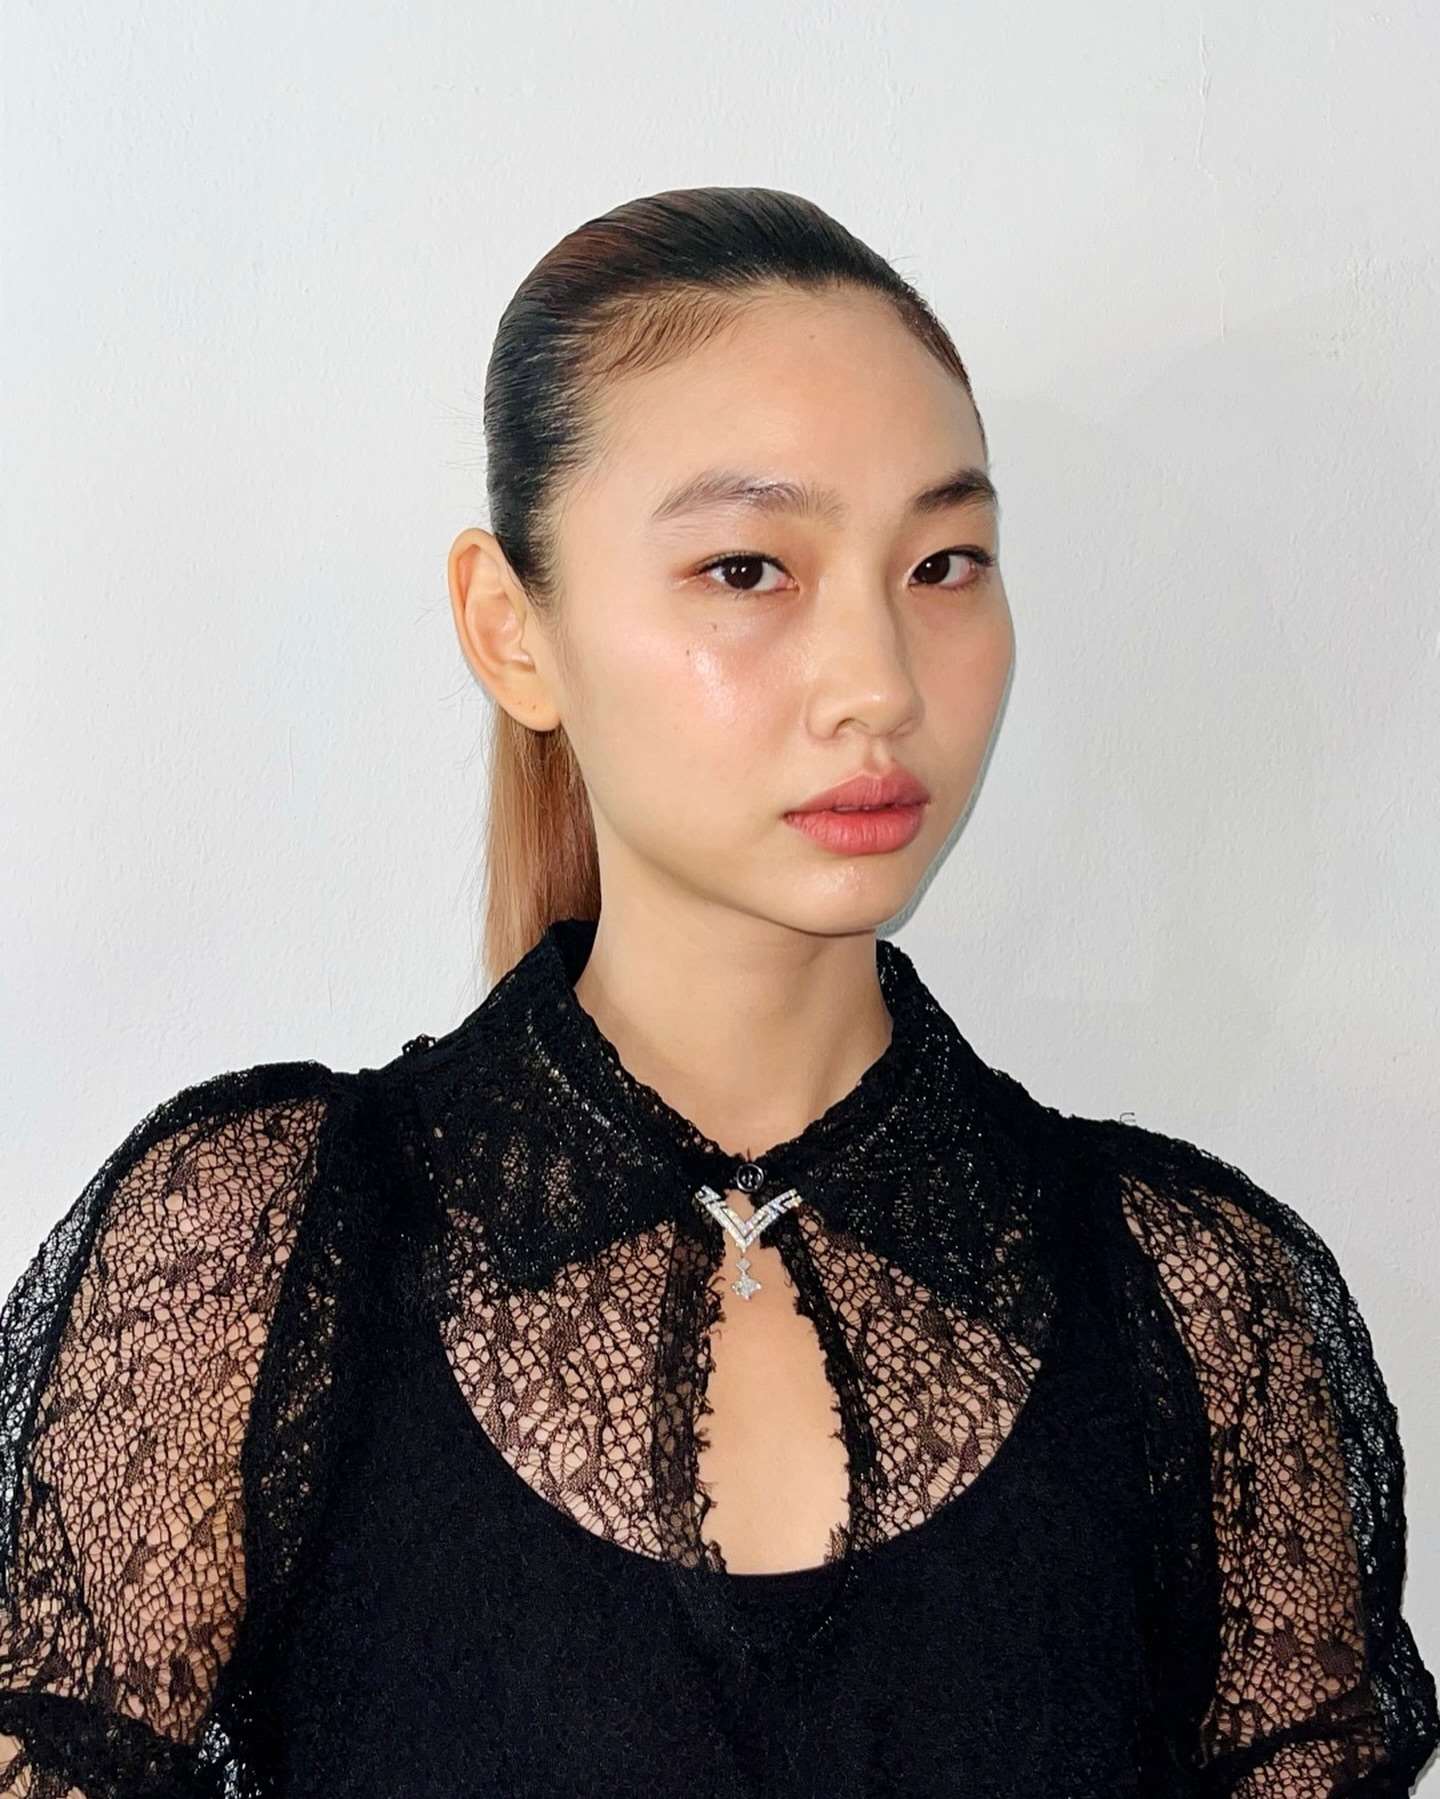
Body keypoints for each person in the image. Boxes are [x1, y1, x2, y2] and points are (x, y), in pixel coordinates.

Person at [1, 186, 1436, 1799]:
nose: (878, 684)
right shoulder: (255, 1255)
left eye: (944, 562)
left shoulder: (1200, 1302)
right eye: (748, 568)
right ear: (510, 629)